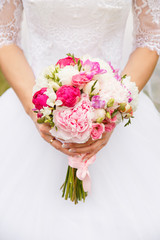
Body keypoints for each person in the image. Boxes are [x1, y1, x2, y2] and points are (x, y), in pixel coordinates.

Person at [0, 0, 160, 239]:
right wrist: (37, 109)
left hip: (112, 107)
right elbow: (5, 36)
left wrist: (113, 108)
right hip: (32, 102)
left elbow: (150, 38)